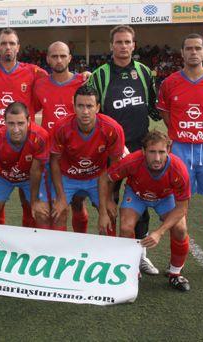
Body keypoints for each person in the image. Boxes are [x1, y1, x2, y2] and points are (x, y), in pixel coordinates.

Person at [157, 33, 203, 279]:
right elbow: (167, 116)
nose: (193, 52)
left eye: (197, 48)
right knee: (179, 209)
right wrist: (183, 134)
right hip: (179, 150)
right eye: (188, 48)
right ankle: (176, 266)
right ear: (182, 52)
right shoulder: (169, 83)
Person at [88, 24, 161, 275]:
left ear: (134, 45)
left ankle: (140, 255)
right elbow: (92, 111)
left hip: (141, 150)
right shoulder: (99, 75)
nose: (123, 46)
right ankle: (112, 254)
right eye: (118, 42)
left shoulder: (144, 72)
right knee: (108, 203)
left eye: (127, 42)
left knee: (140, 203)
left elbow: (153, 108)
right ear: (111, 46)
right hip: (112, 151)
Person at [107, 130, 191, 291]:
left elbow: (182, 208)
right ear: (143, 151)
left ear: (169, 151)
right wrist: (108, 202)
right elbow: (107, 178)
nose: (157, 158)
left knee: (180, 229)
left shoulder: (178, 169)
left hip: (165, 197)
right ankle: (131, 268)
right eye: (152, 152)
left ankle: (175, 273)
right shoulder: (132, 160)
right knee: (126, 228)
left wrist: (159, 232)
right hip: (137, 194)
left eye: (161, 152)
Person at [50, 86, 125, 233]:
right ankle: (63, 252)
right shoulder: (61, 127)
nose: (85, 111)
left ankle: (106, 254)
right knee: (59, 213)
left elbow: (115, 166)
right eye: (80, 106)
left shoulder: (112, 129)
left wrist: (109, 197)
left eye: (89, 106)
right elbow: (54, 162)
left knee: (109, 215)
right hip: (68, 177)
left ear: (97, 107)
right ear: (74, 107)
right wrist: (60, 197)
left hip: (98, 178)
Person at [32, 41, 89, 233]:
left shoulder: (83, 81)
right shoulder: (39, 85)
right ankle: (56, 251)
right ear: (47, 59)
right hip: (50, 154)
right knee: (54, 207)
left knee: (78, 204)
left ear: (70, 58)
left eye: (63, 56)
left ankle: (80, 240)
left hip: (77, 153)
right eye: (54, 56)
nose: (59, 60)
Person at [0, 101, 50, 231]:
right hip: (1, 176)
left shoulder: (40, 136)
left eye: (20, 123)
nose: (16, 129)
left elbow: (36, 171)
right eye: (11, 123)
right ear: (4, 122)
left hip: (29, 177)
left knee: (42, 213)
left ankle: (40, 249)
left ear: (29, 120)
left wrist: (35, 200)